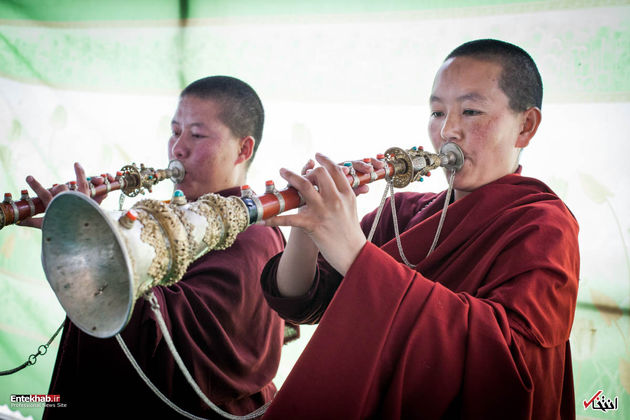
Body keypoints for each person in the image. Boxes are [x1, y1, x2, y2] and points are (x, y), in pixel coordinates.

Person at [259, 39, 579, 419]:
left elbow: (504, 359)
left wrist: (355, 253)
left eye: (471, 111)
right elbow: (307, 301)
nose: (448, 131)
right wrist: (307, 225)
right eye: (437, 112)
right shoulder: (402, 212)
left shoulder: (542, 225)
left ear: (525, 127)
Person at [22, 76, 286, 419]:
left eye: (197, 134)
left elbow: (178, 349)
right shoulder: (167, 214)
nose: (178, 148)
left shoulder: (253, 236)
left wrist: (101, 253)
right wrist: (86, 234)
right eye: (175, 132)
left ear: (243, 149)